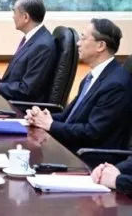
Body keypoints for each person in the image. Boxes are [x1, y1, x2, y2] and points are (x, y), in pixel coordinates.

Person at [25, 18, 132, 165]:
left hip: (91, 160)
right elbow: (70, 117)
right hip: (72, 149)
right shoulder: (92, 77)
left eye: (83, 38)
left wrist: (50, 125)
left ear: (100, 46)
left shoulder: (116, 84)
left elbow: (92, 132)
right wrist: (42, 117)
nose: (78, 43)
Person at [0, 0, 56, 102]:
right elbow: (18, 80)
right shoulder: (34, 39)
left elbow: (27, 90)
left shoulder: (42, 46)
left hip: (21, 109)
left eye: (14, 12)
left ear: (25, 17)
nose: (13, 16)